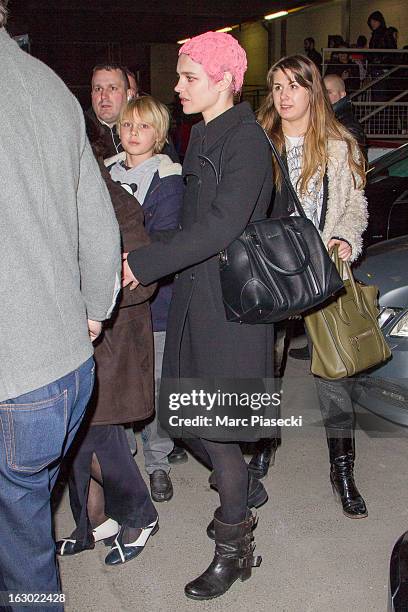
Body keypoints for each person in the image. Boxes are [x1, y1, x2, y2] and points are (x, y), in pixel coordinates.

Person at [122, 31, 273, 600]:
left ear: (224, 80)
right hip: (195, 298)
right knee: (181, 414)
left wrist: (145, 261)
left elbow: (218, 228)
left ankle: (234, 546)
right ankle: (240, 494)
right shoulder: (205, 131)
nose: (178, 86)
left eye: (189, 77)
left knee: (218, 431)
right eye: (180, 76)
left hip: (229, 311)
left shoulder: (246, 140)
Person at [0, 2, 121, 606]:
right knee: (25, 531)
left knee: (20, 555)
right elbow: (99, 224)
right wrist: (95, 309)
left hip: (15, 377)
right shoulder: (46, 85)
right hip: (67, 368)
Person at [258, 54, 368, 520]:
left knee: (334, 376)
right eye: (277, 86)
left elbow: (355, 203)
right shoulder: (260, 142)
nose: (284, 96)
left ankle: (342, 467)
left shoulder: (340, 144)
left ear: (313, 92)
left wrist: (346, 236)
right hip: (273, 269)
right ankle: (262, 442)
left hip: (322, 267)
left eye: (294, 86)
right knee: (267, 363)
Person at [56, 116, 159, 566]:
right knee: (77, 440)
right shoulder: (64, 195)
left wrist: (95, 290)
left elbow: (144, 277)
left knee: (96, 439)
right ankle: (92, 523)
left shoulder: (112, 200)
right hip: (76, 341)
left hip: (112, 345)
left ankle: (139, 512)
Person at [107, 95, 184, 502]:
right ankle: (123, 462)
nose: (133, 134)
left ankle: (158, 461)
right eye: (127, 126)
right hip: (108, 303)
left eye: (143, 127)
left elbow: (165, 239)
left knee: (154, 386)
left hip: (155, 303)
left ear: (159, 134)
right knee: (115, 383)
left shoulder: (169, 179)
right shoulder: (103, 171)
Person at [323, 74, 367, 160]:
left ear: (342, 94)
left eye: (329, 92)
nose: (324, 96)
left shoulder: (349, 125)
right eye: (322, 92)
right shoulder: (327, 118)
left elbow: (357, 162)